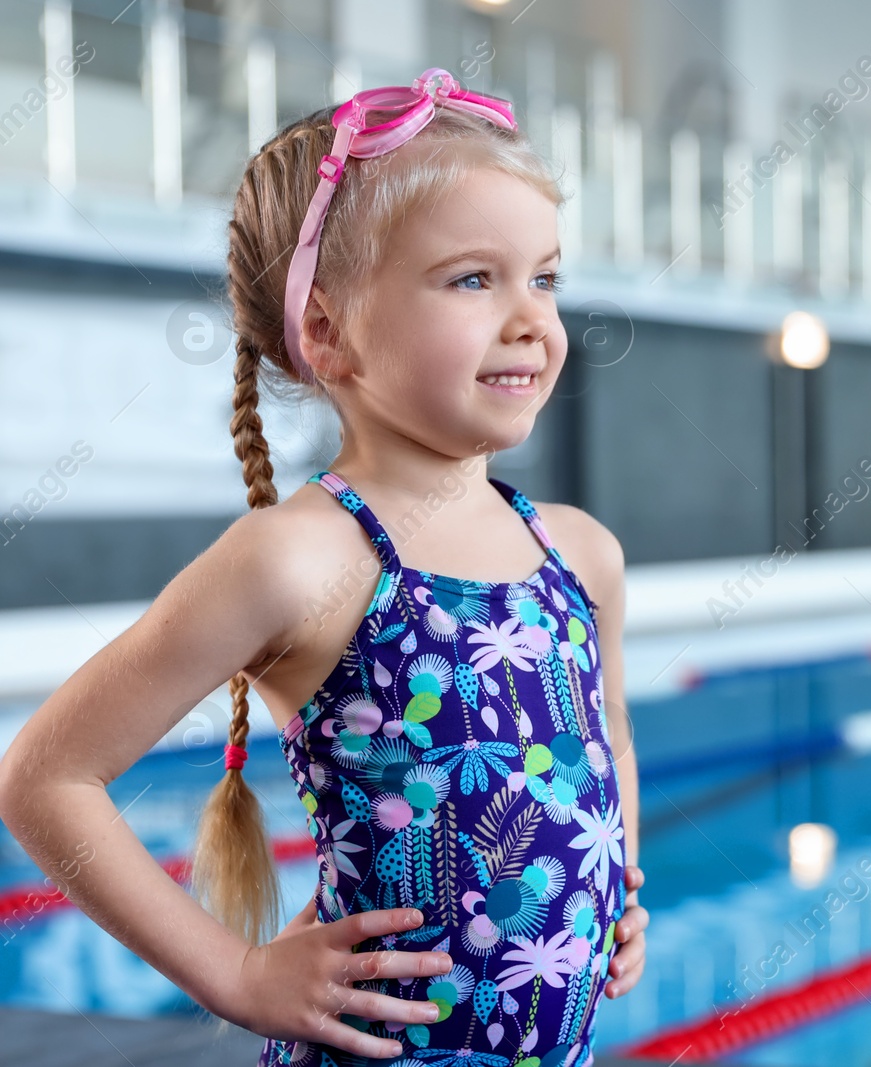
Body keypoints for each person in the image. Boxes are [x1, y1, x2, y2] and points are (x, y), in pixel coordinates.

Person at [0, 68, 646, 1067]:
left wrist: (619, 880)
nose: (530, 317)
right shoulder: (303, 556)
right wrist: (241, 974)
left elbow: (603, 732)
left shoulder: (580, 552)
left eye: (545, 276)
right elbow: (47, 776)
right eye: (474, 278)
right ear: (327, 331)